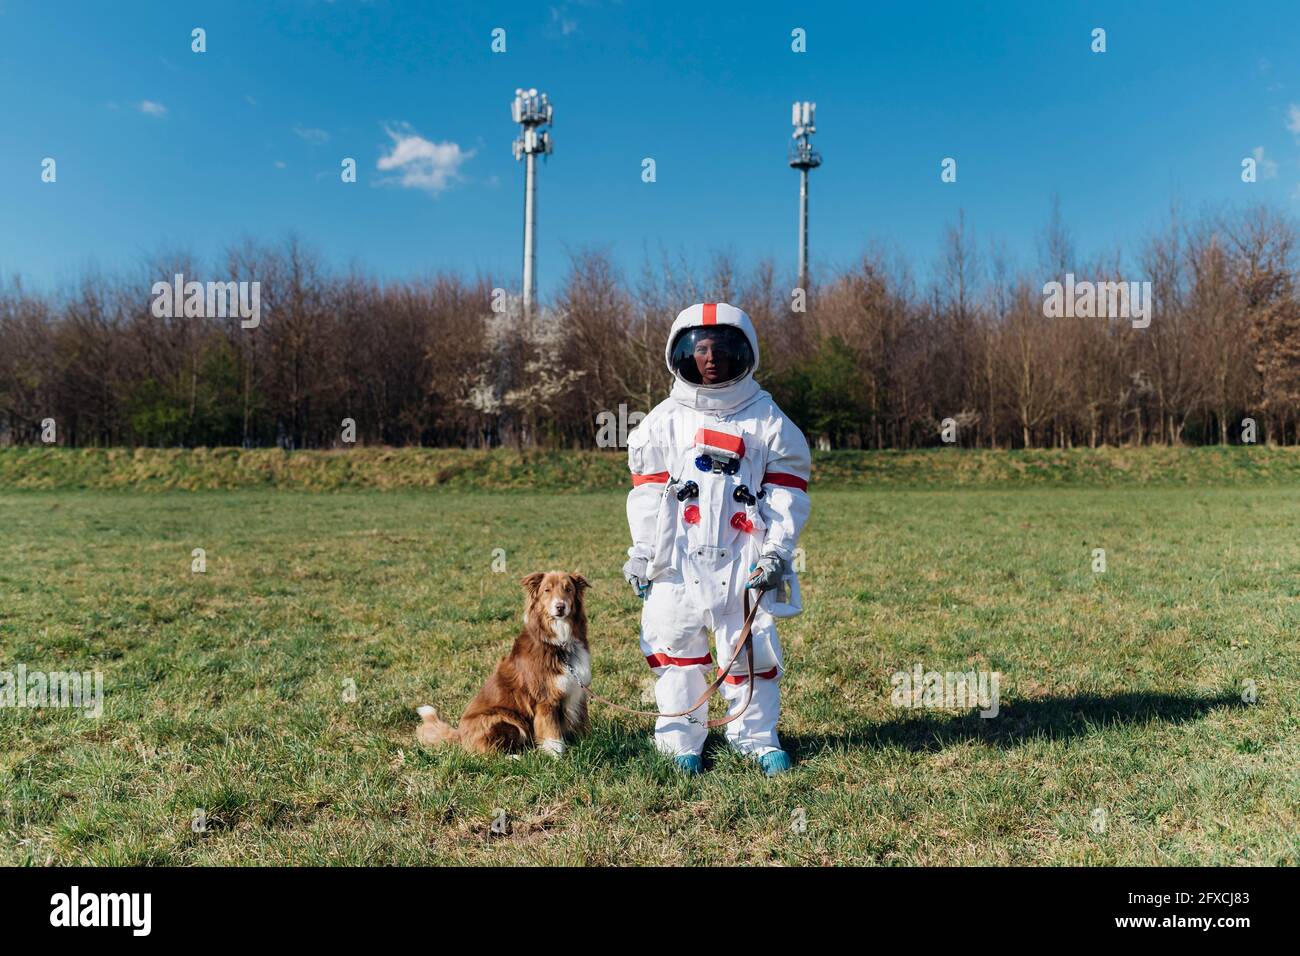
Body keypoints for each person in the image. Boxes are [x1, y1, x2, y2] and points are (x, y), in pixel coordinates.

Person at [623, 302, 811, 776]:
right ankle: (679, 742)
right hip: (677, 559)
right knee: (675, 646)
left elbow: (786, 496)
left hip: (743, 557)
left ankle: (755, 737)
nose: (710, 358)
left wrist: (775, 554)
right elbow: (648, 499)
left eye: (721, 349)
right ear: (681, 354)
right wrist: (642, 555)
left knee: (749, 650)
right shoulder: (664, 421)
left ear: (743, 353)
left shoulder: (767, 420)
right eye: (700, 349)